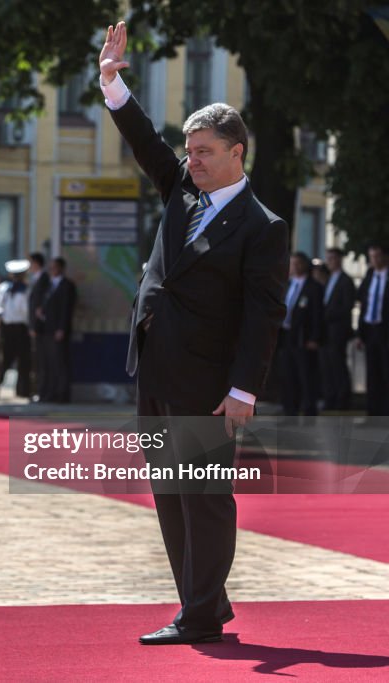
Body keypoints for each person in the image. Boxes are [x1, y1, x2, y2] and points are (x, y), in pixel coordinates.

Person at [101, 21, 288, 644]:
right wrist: (113, 85)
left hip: (209, 382)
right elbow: (147, 145)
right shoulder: (182, 188)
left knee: (203, 498)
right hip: (156, 365)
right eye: (190, 150)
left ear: (238, 152)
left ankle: (200, 615)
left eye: (204, 151)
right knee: (170, 496)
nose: (192, 161)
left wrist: (244, 390)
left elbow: (265, 313)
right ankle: (204, 601)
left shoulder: (262, 227)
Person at [357, 244, 389, 416]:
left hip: (386, 330)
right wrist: (361, 334)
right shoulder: (369, 277)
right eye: (371, 257)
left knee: (388, 372)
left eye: (377, 256)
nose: (374, 260)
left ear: (384, 257)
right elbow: (363, 305)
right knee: (372, 372)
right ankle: (373, 411)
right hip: (370, 329)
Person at [279, 252, 324, 416]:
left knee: (306, 375)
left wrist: (314, 338)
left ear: (304, 265)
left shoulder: (314, 287)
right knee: (288, 373)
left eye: (298, 263)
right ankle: (290, 409)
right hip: (287, 336)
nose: (294, 267)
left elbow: (318, 314)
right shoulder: (286, 284)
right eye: (292, 263)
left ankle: (309, 409)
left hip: (303, 337)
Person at [34, 257, 76, 403]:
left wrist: (61, 329)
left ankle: (62, 394)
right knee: (49, 364)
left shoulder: (67, 285)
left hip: (58, 331)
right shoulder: (49, 285)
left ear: (61, 268)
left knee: (60, 364)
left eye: (55, 267)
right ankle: (49, 393)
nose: (52, 270)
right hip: (47, 329)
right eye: (50, 268)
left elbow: (66, 309)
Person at [320, 248, 355, 410]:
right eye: (328, 258)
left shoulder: (346, 280)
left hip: (338, 330)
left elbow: (347, 306)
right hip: (326, 330)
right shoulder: (328, 279)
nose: (330, 261)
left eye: (332, 258)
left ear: (340, 259)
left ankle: (343, 399)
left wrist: (328, 314)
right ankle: (330, 398)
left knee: (338, 364)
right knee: (327, 365)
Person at [0, 259, 33, 398]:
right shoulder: (4, 288)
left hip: (22, 327)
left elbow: (28, 311)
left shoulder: (27, 289)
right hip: (7, 327)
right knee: (4, 360)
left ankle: (23, 391)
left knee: (24, 361)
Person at [27, 252, 50, 400]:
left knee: (42, 360)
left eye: (30, 263)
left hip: (41, 327)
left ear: (36, 263)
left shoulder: (43, 279)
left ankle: (42, 391)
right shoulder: (36, 279)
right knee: (37, 360)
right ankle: (38, 390)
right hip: (36, 327)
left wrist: (34, 326)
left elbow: (39, 305)